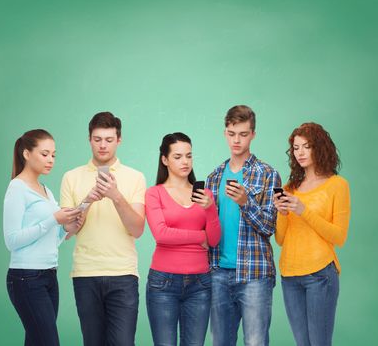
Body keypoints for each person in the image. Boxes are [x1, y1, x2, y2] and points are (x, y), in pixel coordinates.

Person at [60, 112, 146, 346]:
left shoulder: (135, 177)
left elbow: (137, 229)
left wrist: (116, 196)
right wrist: (88, 200)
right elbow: (68, 230)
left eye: (109, 139)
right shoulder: (71, 177)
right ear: (89, 139)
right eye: (97, 139)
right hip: (86, 274)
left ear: (119, 140)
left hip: (123, 274)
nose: (103, 145)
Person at [206, 105, 281, 346]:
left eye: (243, 134)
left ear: (253, 135)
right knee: (220, 341)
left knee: (255, 342)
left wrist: (245, 202)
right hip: (218, 272)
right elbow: (207, 227)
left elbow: (269, 226)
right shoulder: (214, 176)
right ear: (225, 133)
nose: (236, 140)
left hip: (255, 274)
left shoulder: (267, 174)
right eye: (231, 133)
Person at [273, 122, 351, 346]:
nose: (300, 153)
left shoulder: (337, 185)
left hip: (320, 276)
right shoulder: (289, 188)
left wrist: (304, 211)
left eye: (306, 146)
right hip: (289, 276)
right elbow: (280, 240)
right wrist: (282, 213)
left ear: (320, 147)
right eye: (296, 148)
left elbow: (339, 237)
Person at [4, 129, 82, 346]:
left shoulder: (46, 191)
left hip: (49, 276)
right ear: (27, 154)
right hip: (25, 278)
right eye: (45, 154)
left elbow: (52, 238)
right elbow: (11, 241)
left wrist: (69, 228)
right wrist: (53, 220)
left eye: (54, 155)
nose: (50, 160)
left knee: (36, 341)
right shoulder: (17, 188)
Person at [145, 132, 221, 346]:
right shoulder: (154, 193)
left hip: (200, 283)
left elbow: (214, 241)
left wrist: (210, 209)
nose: (185, 161)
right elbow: (161, 234)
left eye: (188, 156)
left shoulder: (205, 194)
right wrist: (199, 236)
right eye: (177, 156)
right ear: (165, 160)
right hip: (163, 283)